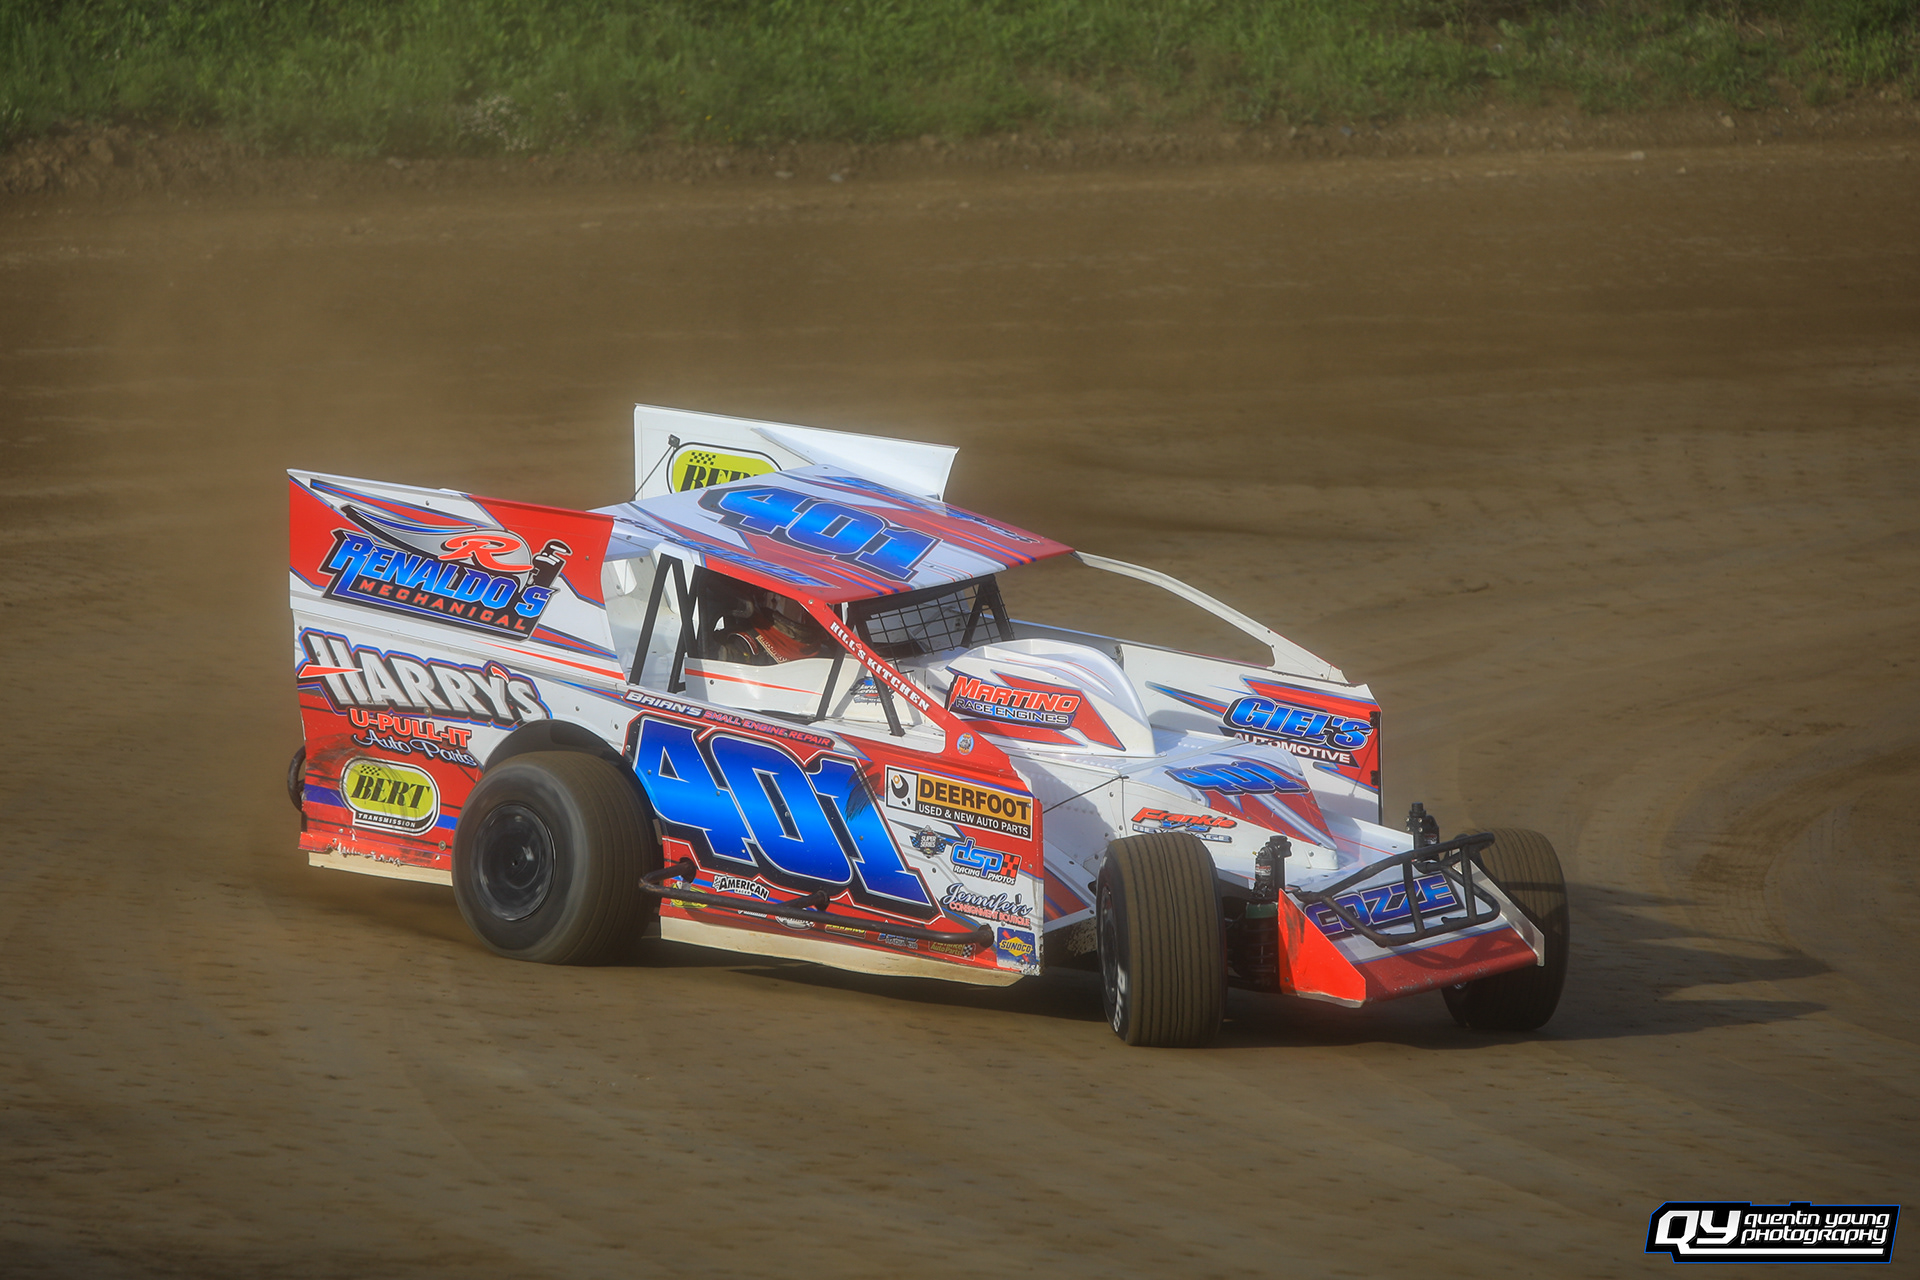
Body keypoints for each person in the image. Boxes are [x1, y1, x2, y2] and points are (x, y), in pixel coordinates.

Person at [698, 575, 831, 665]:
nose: (807, 615)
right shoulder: (739, 645)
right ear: (772, 601)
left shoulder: (825, 651)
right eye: (802, 606)